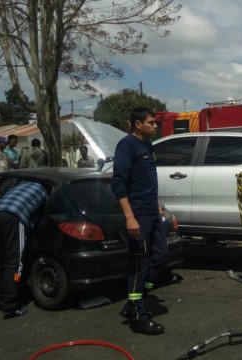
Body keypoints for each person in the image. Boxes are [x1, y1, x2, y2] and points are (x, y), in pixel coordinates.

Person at [111, 107, 169, 335]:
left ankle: (133, 303)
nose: (155, 126)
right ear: (137, 124)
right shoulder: (127, 145)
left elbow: (145, 181)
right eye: (151, 123)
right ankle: (138, 317)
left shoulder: (147, 145)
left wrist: (156, 206)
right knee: (139, 265)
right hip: (137, 217)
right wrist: (130, 217)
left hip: (152, 213)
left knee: (161, 256)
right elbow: (118, 184)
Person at [0, 181, 48, 318]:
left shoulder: (20, 184)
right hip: (14, 217)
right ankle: (10, 306)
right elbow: (42, 214)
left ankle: (0, 300)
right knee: (15, 261)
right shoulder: (44, 192)